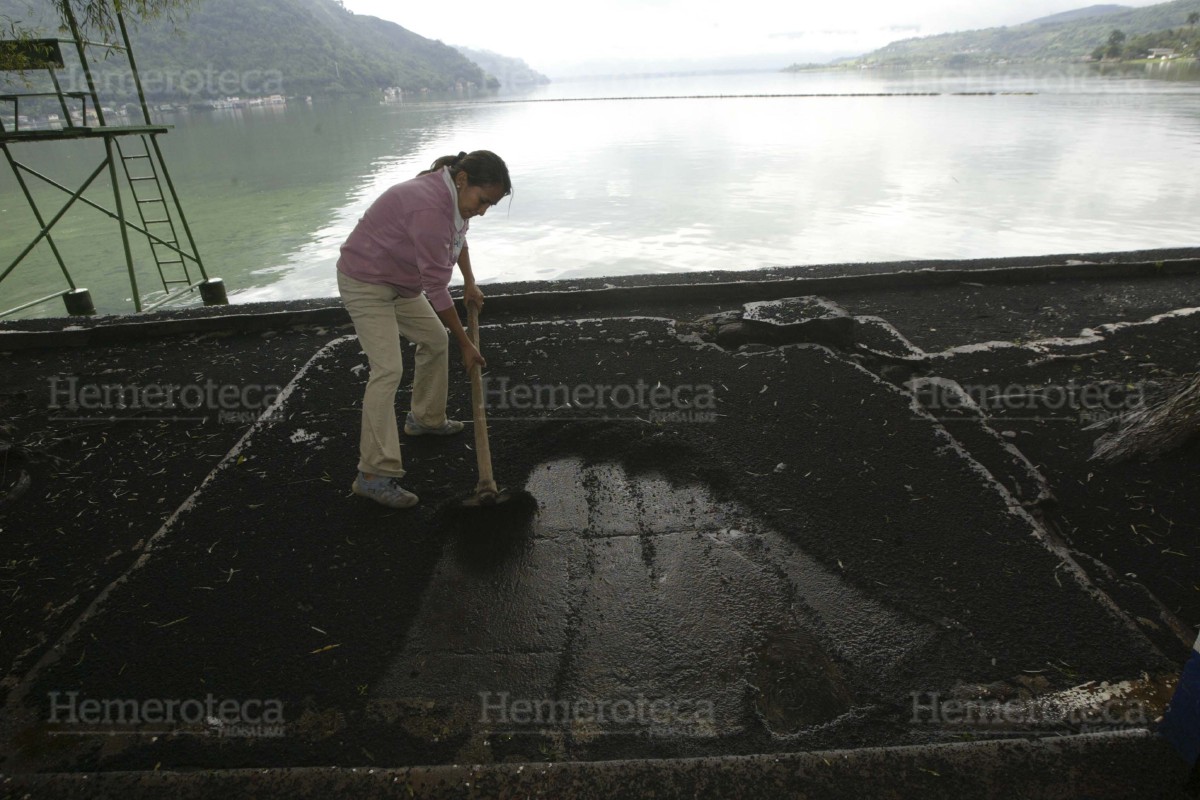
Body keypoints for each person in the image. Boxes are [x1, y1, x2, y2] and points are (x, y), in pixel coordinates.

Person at [336, 150, 512, 509]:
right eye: (482, 201)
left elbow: (459, 239)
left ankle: (425, 419)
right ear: (463, 180)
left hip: (401, 282)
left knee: (433, 339)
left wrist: (470, 281)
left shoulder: (453, 197)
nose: (481, 211)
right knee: (387, 370)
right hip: (366, 280)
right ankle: (372, 475)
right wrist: (466, 344)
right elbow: (435, 288)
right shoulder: (429, 207)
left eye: (489, 206)